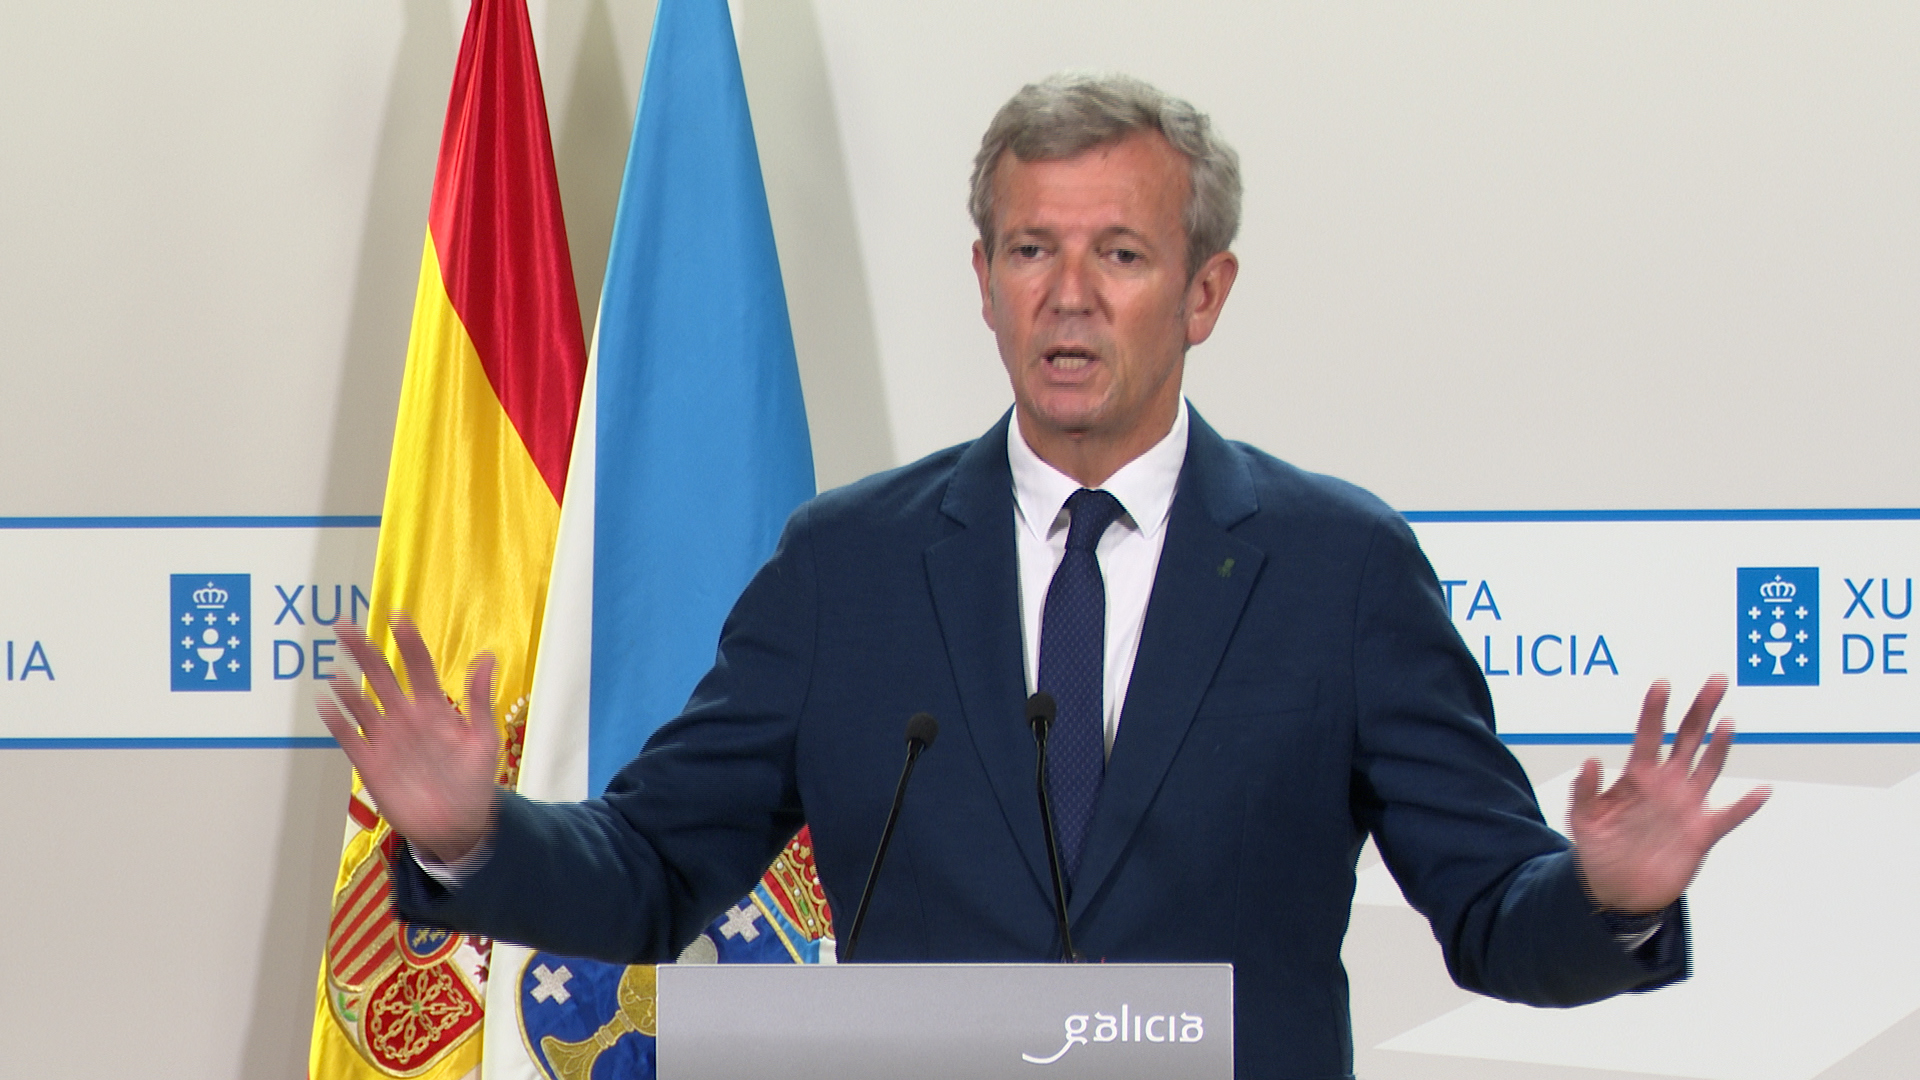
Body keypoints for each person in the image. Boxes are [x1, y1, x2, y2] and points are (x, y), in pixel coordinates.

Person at [321, 72, 1768, 1079]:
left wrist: (1612, 898)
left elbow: (1496, 917)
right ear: (985, 280)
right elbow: (649, 873)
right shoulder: (848, 568)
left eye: (1121, 253)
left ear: (1206, 292)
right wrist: (473, 837)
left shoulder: (1340, 572)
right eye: (1031, 249)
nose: (1068, 295)